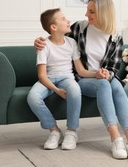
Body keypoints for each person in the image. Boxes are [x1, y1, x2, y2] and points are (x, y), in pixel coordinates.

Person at [34, 0, 128, 161]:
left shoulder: (116, 37)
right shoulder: (79, 28)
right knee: (104, 85)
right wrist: (39, 41)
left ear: (103, 13)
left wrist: (107, 73)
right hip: (84, 79)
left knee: (116, 87)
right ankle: (115, 139)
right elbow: (56, 40)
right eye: (87, 10)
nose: (86, 14)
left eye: (91, 11)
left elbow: (114, 66)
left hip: (102, 77)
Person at [28, 8, 97, 150]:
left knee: (75, 89)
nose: (68, 21)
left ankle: (71, 131)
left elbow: (81, 71)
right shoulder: (43, 45)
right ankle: (54, 131)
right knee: (33, 97)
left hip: (67, 78)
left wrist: (97, 74)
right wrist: (57, 91)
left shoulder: (72, 43)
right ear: (53, 27)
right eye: (64, 19)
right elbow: (42, 76)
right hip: (48, 80)